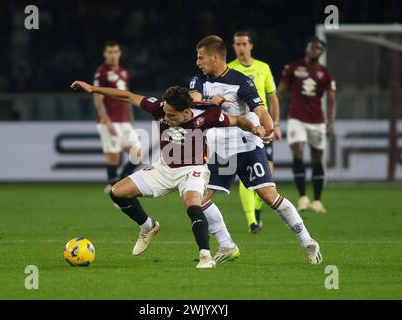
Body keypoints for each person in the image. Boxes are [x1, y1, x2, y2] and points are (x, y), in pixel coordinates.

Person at [71, 81, 266, 268]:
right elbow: (128, 96)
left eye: (172, 116)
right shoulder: (160, 107)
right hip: (165, 168)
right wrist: (92, 89)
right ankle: (148, 227)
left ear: (186, 112)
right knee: (117, 192)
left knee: (192, 205)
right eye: (165, 113)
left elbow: (238, 120)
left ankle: (205, 257)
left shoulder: (207, 116)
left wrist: (255, 128)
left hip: (193, 169)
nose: (166, 118)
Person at [190, 35, 322, 265]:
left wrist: (268, 127)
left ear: (215, 57)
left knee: (268, 194)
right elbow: (194, 102)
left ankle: (308, 241)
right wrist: (212, 104)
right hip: (219, 149)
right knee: (197, 201)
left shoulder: (241, 81)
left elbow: (260, 109)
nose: (198, 62)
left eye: (201, 57)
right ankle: (227, 245)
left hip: (246, 146)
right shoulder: (198, 80)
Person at [228, 30, 282, 233]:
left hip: (264, 126)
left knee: (267, 176)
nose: (240, 48)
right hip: (242, 127)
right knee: (247, 173)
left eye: (243, 44)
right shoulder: (229, 69)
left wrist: (275, 124)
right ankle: (252, 221)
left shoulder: (263, 67)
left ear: (251, 46)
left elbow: (272, 97)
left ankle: (257, 211)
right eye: (237, 44)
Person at [277, 37, 337, 213]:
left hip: (317, 121)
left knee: (318, 158)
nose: (313, 49)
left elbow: (332, 98)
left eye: (317, 47)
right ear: (306, 48)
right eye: (311, 46)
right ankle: (303, 197)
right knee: (298, 153)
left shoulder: (325, 74)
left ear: (322, 52)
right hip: (296, 118)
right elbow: (281, 92)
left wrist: (331, 122)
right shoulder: (293, 68)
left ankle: (317, 200)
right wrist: (273, 114)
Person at [93, 40, 141, 191]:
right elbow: (98, 100)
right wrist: (107, 122)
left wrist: (131, 121)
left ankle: (117, 184)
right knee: (113, 157)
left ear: (119, 53)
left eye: (115, 52)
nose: (113, 55)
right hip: (108, 121)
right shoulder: (101, 73)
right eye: (109, 52)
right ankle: (116, 191)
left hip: (125, 121)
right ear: (105, 54)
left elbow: (127, 98)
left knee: (137, 154)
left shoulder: (124, 72)